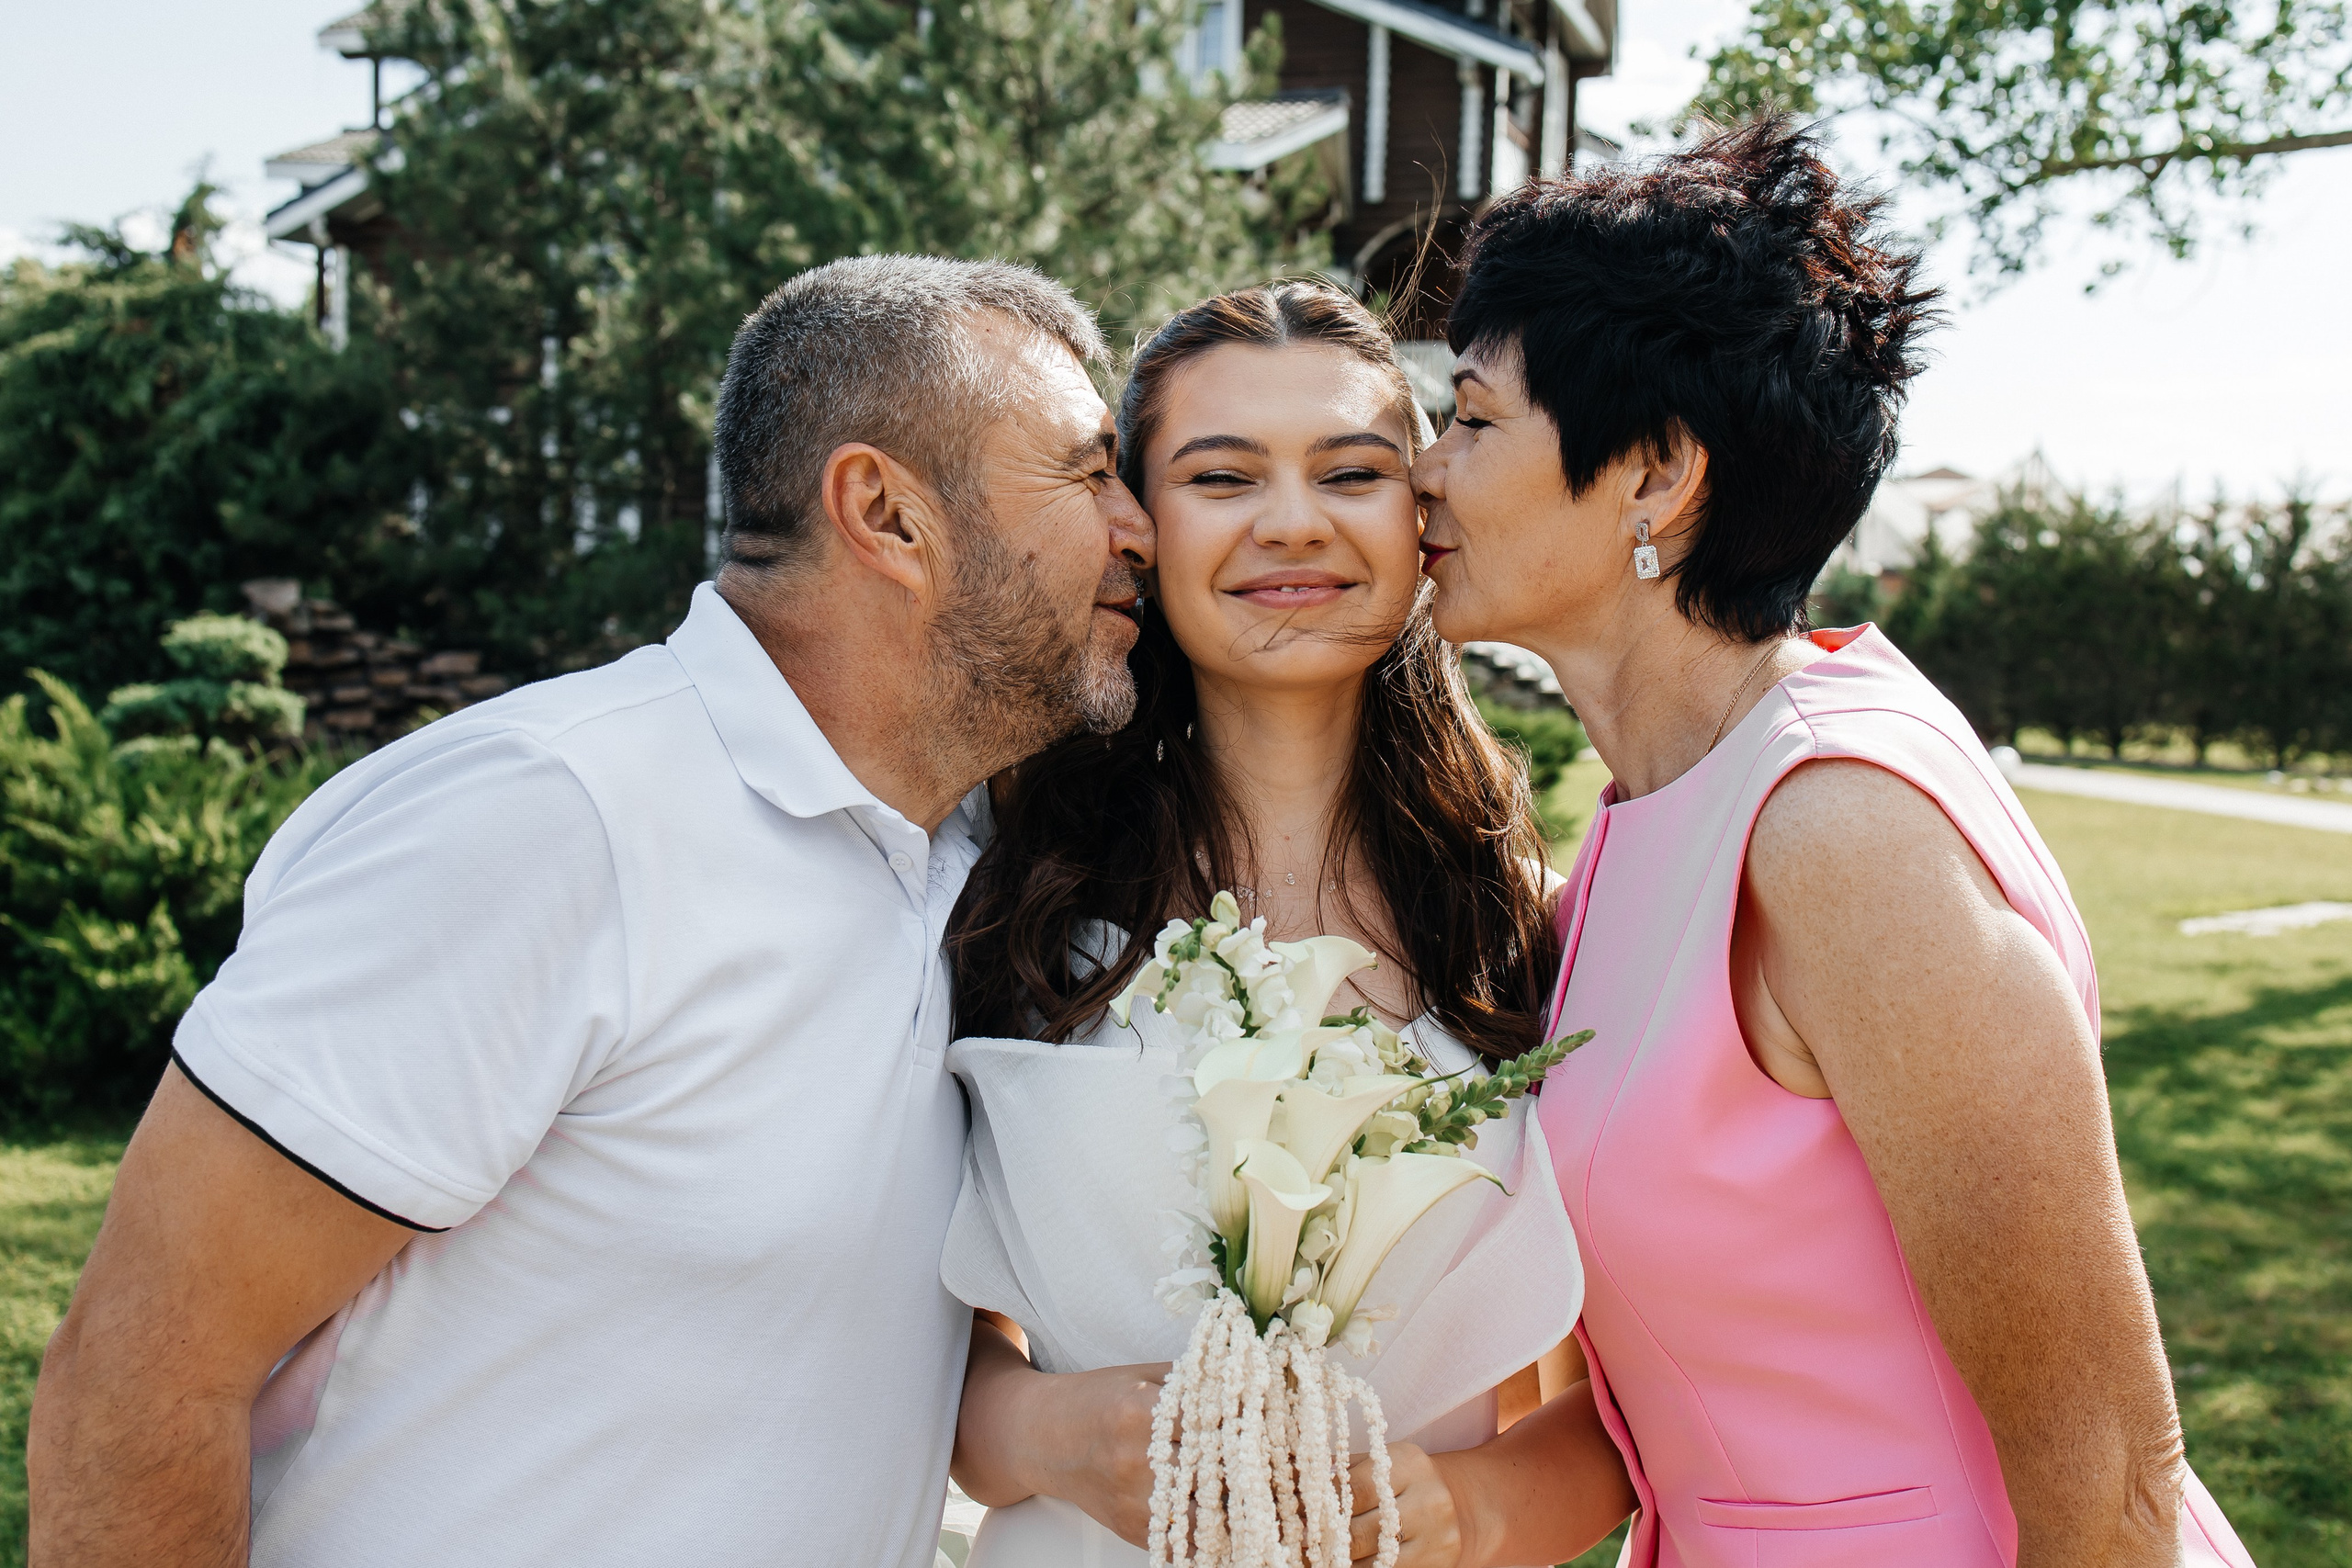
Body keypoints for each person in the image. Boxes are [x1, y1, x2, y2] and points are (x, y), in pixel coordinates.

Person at [27, 254, 1155, 1568]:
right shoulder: (548, 818)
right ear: (888, 516)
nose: (1137, 525)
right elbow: (144, 1375)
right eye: (1089, 474)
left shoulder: (970, 866)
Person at [1408, 118, 2256, 1566]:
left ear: (1657, 475)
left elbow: (2111, 1481)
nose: (1424, 474)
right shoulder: (1645, 821)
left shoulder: (1838, 830)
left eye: (1473, 421)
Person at [936, 281, 1632, 1568]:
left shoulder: (1530, 934)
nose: (1294, 524)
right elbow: (917, 1352)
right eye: (1222, 478)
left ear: (1420, 514)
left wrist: (1468, 1513)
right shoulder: (1013, 901)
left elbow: (1621, 1420)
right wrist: (1046, 1433)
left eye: (1353, 472)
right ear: (1139, 526)